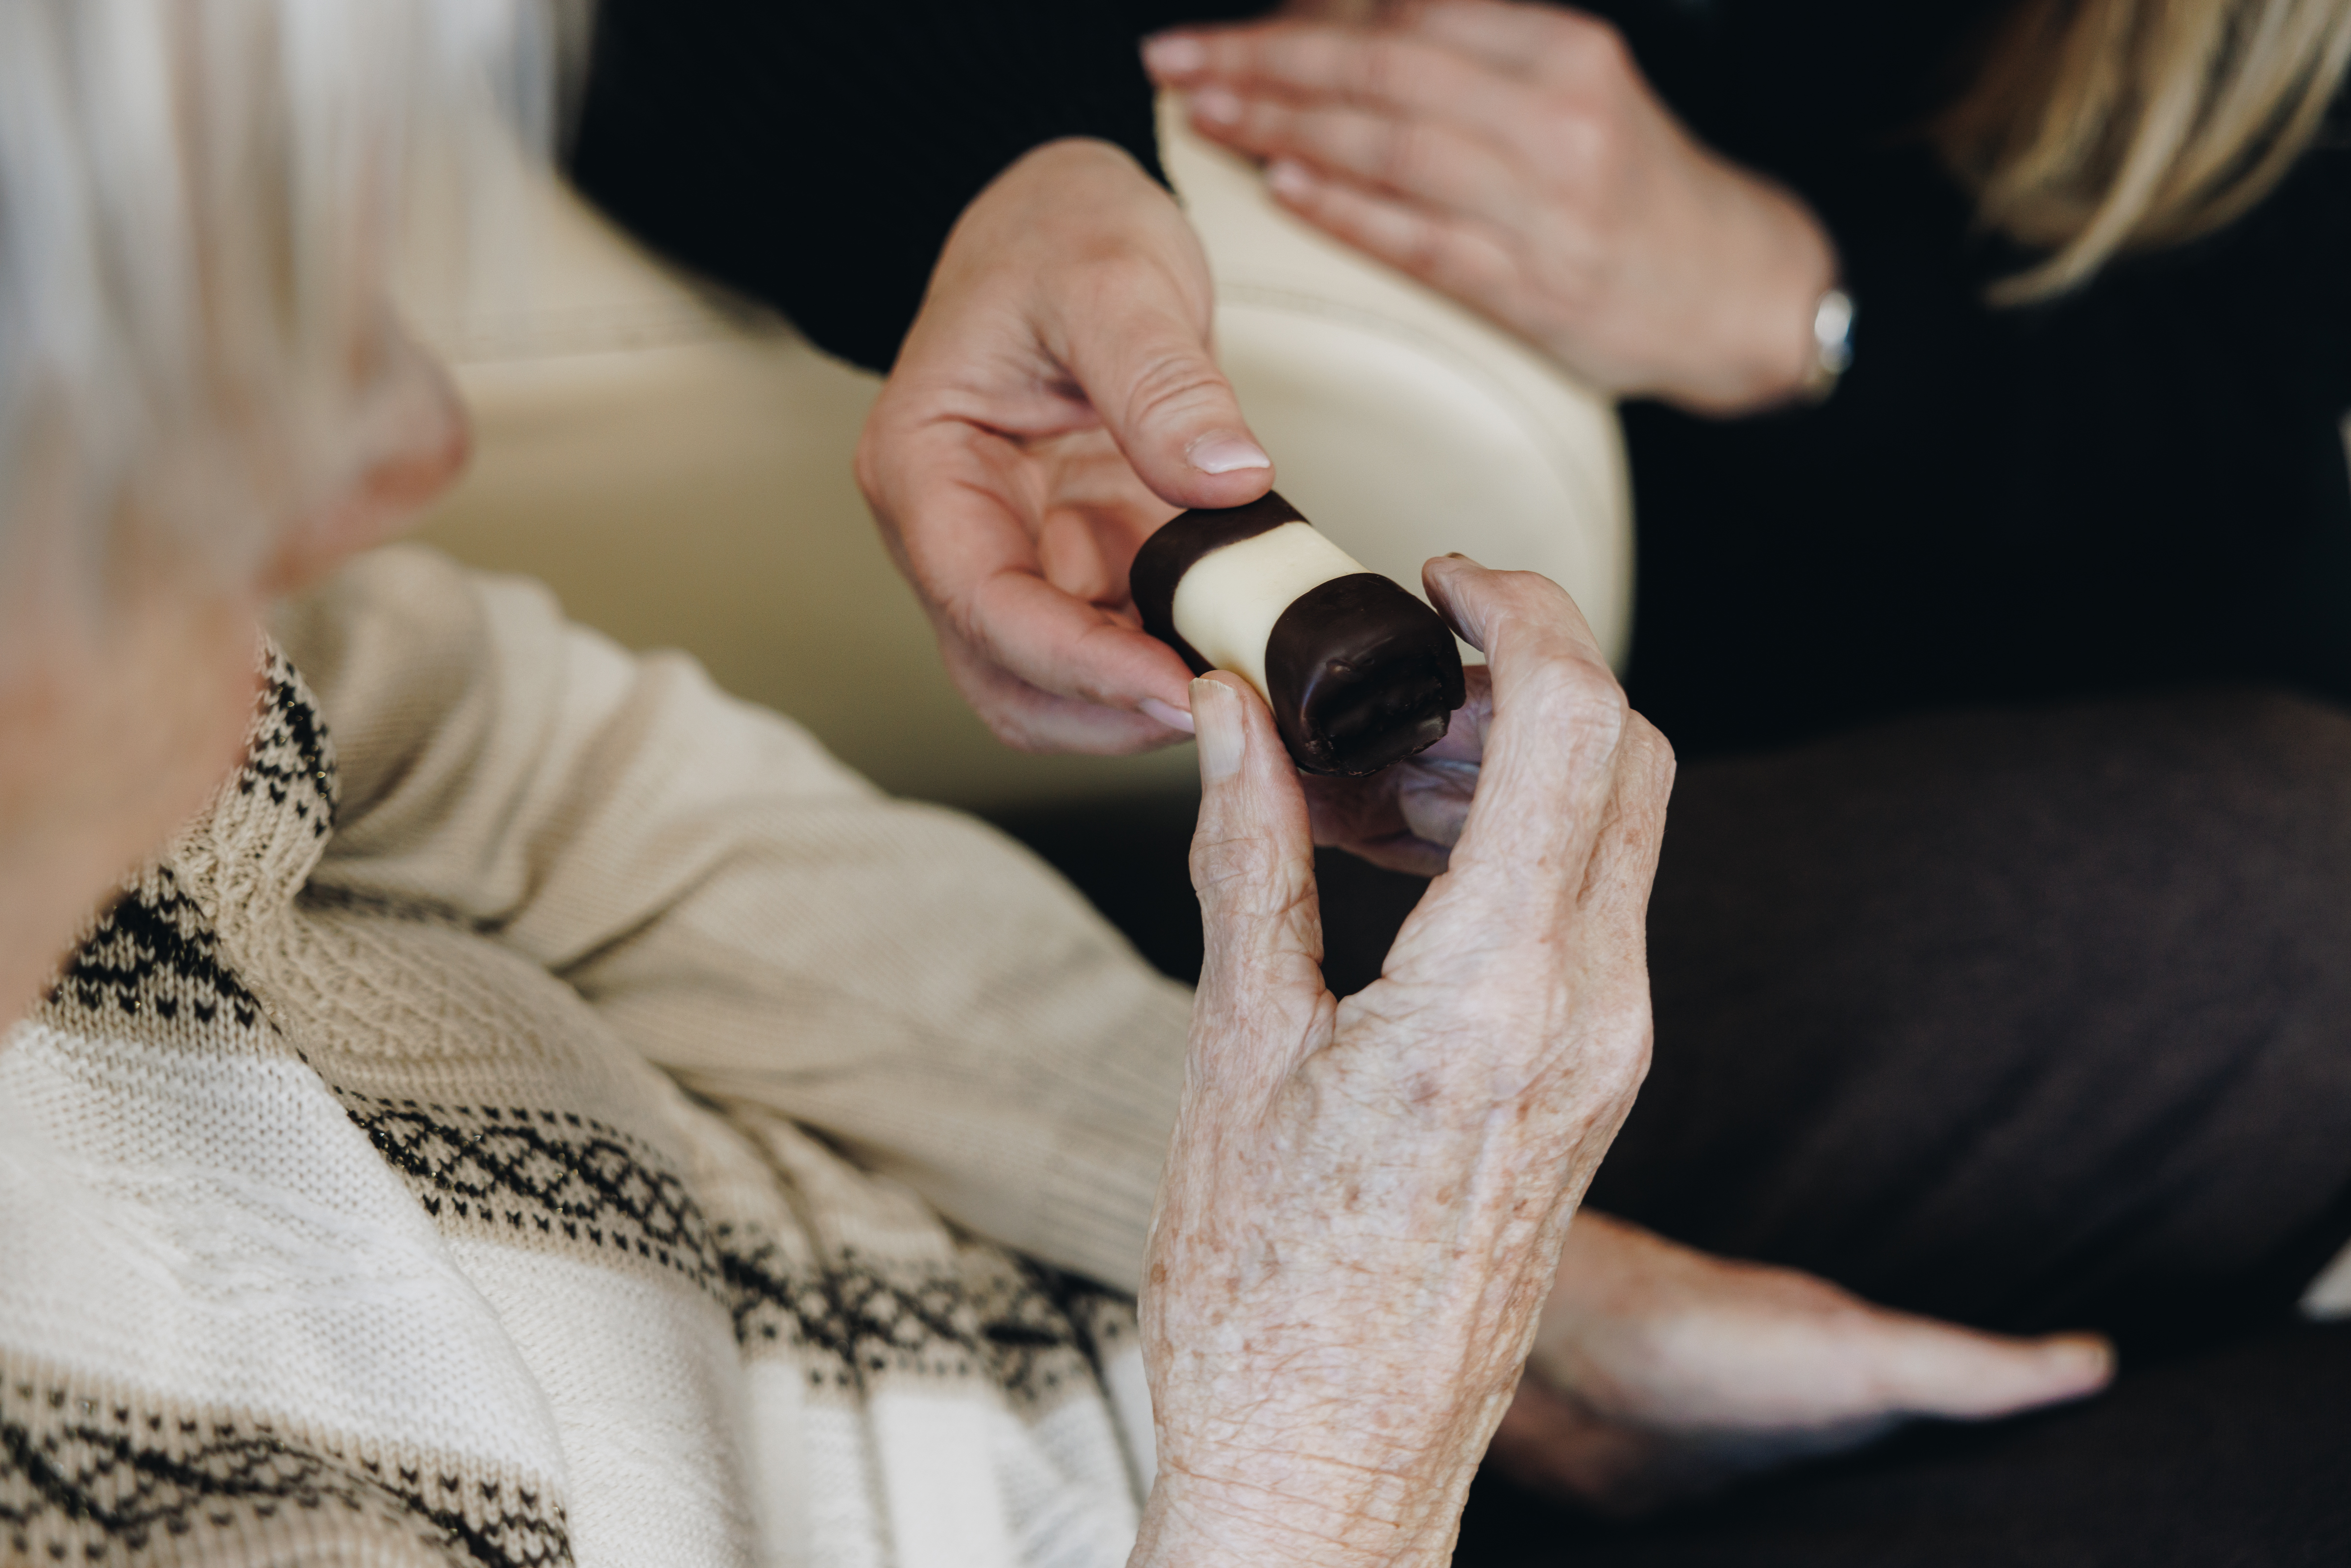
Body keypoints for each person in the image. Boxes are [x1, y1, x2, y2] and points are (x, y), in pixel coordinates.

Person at [2, 1, 2070, 1563]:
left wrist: (1476, 1294)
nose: (415, 450)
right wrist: (1332, 1447)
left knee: (2268, 882)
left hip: (1001, 1247)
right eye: (148, 382)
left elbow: (552, 780)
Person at [566, 0, 2351, 1537]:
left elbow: (2252, 470)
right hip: (1127, 1306)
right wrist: (1006, 169)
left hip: (1253, 1084)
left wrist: (1811, 314)